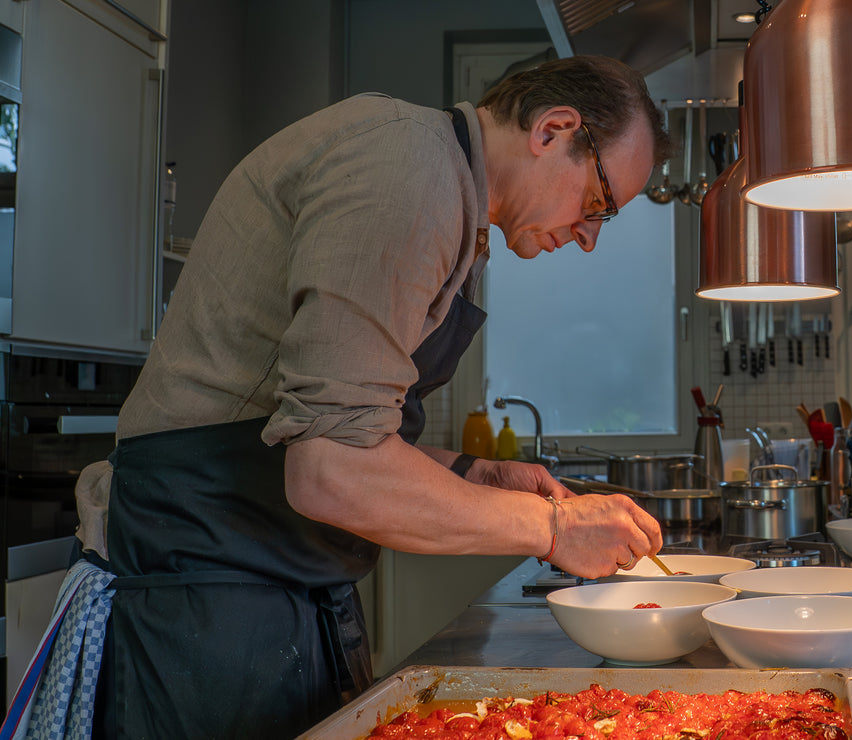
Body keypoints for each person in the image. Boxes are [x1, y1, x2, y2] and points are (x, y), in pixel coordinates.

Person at [31, 55, 671, 738]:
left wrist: (472, 473)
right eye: (598, 202)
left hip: (273, 577)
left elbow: (347, 428)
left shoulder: (446, 194)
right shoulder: (406, 174)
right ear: (552, 129)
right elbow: (330, 470)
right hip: (211, 593)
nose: (588, 236)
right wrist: (551, 529)